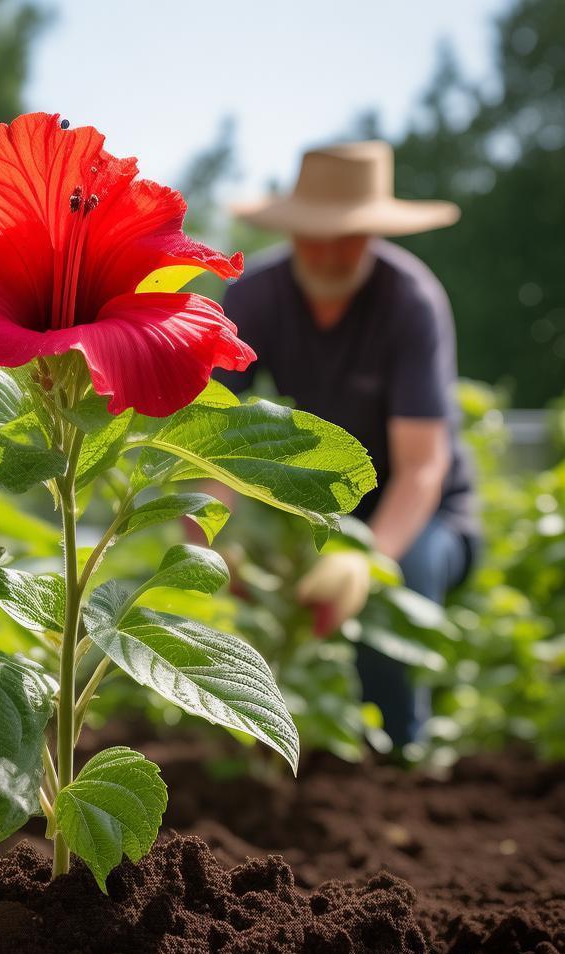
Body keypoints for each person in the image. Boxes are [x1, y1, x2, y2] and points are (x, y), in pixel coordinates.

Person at [214, 140, 480, 748]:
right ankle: (264, 751)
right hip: (324, 506)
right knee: (249, 599)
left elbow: (421, 468)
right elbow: (212, 433)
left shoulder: (410, 302)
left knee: (399, 584)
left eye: (349, 235)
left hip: (425, 513)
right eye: (316, 233)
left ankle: (398, 753)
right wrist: (210, 535)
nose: (330, 251)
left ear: (376, 233)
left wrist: (367, 558)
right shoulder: (256, 296)